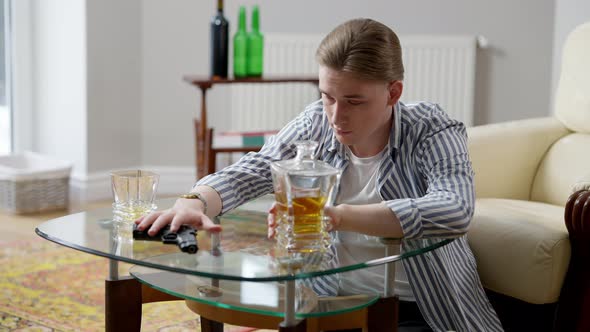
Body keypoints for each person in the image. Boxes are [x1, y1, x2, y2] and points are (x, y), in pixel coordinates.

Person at [137, 18, 503, 331]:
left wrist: (337, 218)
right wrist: (195, 200)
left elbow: (454, 208)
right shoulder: (317, 121)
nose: (336, 115)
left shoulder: (432, 128)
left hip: (419, 310)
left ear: (393, 93)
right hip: (329, 302)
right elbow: (261, 167)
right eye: (328, 96)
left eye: (354, 101)